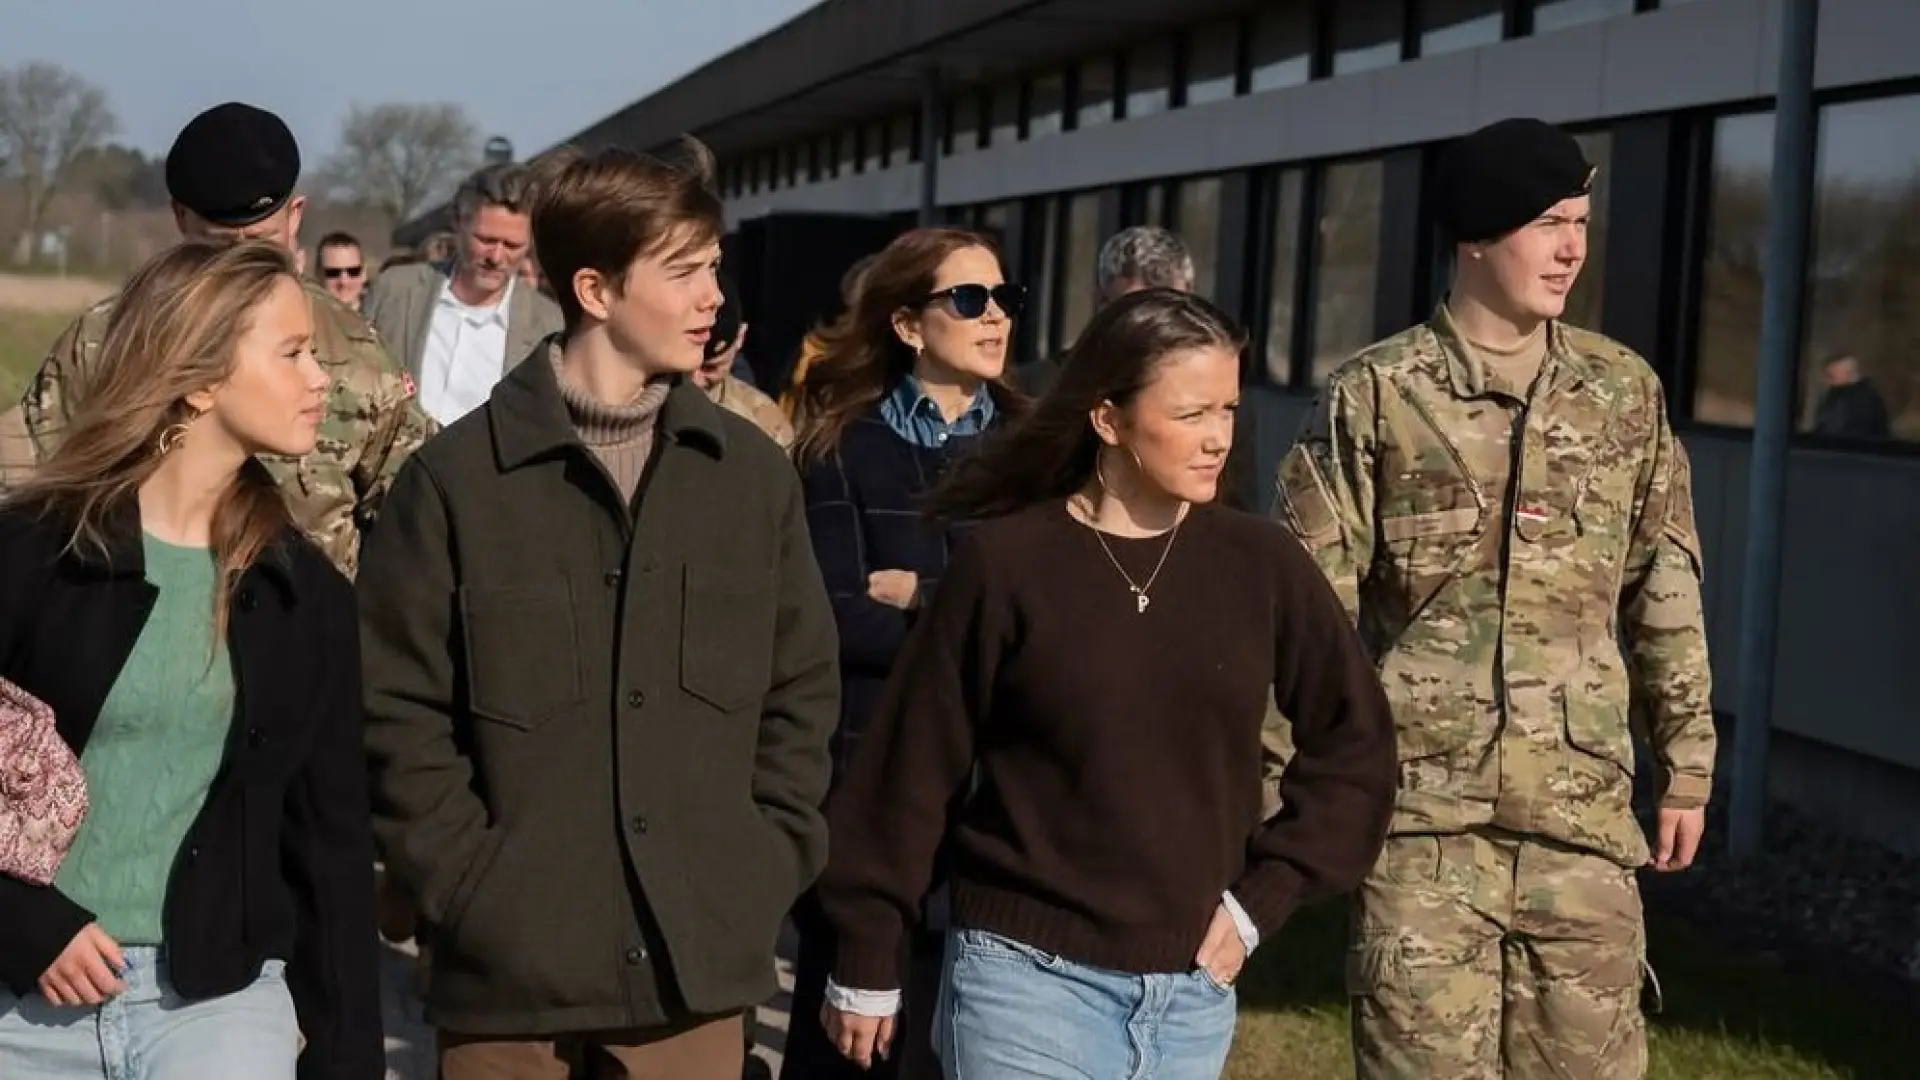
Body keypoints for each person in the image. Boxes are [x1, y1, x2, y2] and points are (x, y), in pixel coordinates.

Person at [815, 288, 1398, 1080]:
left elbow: (1357, 748)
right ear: (1107, 419)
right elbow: (912, 771)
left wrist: (1265, 897)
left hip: (1192, 995)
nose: (1218, 438)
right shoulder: (1007, 564)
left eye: (1227, 409)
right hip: (1022, 986)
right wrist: (868, 950)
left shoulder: (1262, 566)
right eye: (1191, 414)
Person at [357, 137, 840, 1080]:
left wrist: (761, 864)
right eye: (686, 271)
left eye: (716, 268)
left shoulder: (751, 483)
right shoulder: (454, 485)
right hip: (507, 986)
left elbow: (802, 695)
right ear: (596, 290)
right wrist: (468, 884)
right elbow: (395, 712)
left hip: (694, 973)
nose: (714, 296)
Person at [1273, 117, 1717, 1080]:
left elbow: (1663, 585)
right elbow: (1302, 619)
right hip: (1420, 830)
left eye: (1582, 222)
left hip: (1583, 828)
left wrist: (1687, 761)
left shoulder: (1622, 394)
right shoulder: (1376, 397)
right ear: (1476, 234)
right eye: (1549, 222)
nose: (1573, 248)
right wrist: (1269, 796)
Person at [0, 240, 382, 1079]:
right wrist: (21, 922)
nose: (322, 377)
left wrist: (347, 1057)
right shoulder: (34, 553)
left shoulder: (304, 592)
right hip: (21, 1006)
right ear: (202, 379)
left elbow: (332, 849)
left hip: (218, 1004)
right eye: (292, 353)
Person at [782, 227, 1026, 1080]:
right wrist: (986, 629)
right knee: (847, 1050)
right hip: (867, 792)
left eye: (1004, 298)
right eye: (969, 299)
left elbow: (1053, 629)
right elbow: (835, 621)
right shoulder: (838, 449)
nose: (995, 317)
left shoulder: (1043, 452)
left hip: (1007, 798)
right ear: (908, 324)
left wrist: (922, 596)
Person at [10, 100, 433, 578]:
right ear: (180, 218)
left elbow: (420, 520)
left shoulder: (356, 357)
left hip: (299, 631)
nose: (241, 273)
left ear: (295, 217)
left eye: (259, 245)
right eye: (219, 248)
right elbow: (30, 488)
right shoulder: (107, 342)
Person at [363, 163, 565, 428]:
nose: (496, 257)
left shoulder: (548, 326)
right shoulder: (394, 292)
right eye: (485, 240)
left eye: (512, 245)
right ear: (458, 222)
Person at [1011, 225, 1194, 398]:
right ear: (1101, 303)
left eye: (1168, 310)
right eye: (1137, 310)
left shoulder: (1207, 389)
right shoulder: (1036, 391)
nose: (1154, 325)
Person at [695, 280, 792, 451]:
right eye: (684, 368)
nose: (695, 381)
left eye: (709, 368)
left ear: (740, 338)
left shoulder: (763, 423)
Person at [1811, 350, 1891, 439]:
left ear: (1847, 373)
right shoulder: (1838, 396)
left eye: (1830, 376)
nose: (1825, 381)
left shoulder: (1857, 400)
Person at [315, 231, 368, 310]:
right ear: (318, 274)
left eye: (353, 271)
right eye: (333, 273)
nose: (344, 281)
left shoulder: (382, 318)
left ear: (364, 274)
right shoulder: (304, 318)